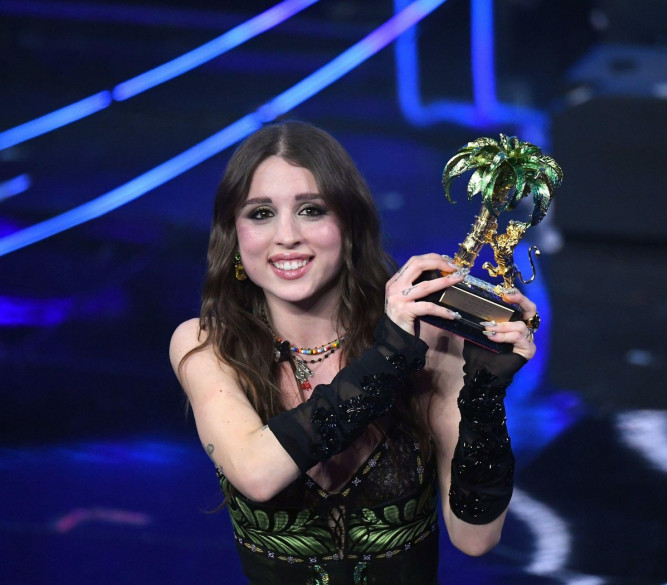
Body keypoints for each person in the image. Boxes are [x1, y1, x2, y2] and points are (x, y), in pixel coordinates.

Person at [169, 120, 539, 585]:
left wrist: (484, 395)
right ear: (235, 237)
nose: (286, 236)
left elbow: (475, 538)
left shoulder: (431, 341)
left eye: (311, 210)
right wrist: (390, 353)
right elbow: (256, 472)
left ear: (350, 225)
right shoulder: (207, 343)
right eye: (261, 213)